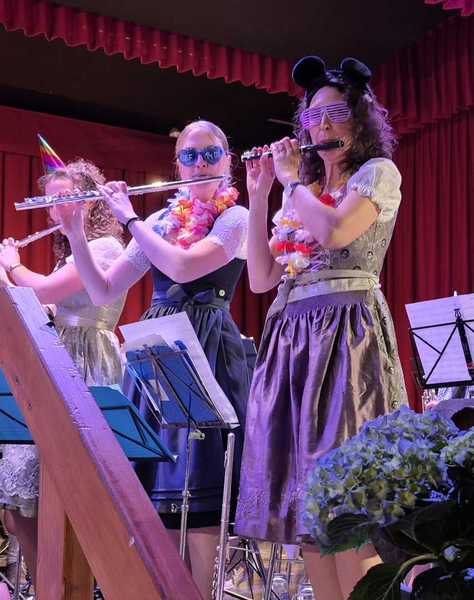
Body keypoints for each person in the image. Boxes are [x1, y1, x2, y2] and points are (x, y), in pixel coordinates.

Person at [235, 56, 408, 599]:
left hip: (344, 336)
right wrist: (261, 193)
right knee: (305, 510)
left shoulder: (376, 174)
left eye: (336, 114)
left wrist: (291, 182)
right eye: (312, 117)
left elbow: (334, 233)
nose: (323, 125)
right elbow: (261, 278)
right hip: (291, 340)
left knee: (345, 510)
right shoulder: (302, 192)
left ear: (359, 119)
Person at [57, 120, 250, 597]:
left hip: (207, 345)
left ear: (228, 161)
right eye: (189, 156)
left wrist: (129, 219)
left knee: (202, 489)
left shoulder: (236, 217)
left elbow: (183, 266)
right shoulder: (162, 220)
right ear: (177, 164)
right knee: (154, 494)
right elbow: (104, 289)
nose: (200, 164)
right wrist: (76, 233)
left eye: (210, 154)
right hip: (158, 349)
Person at [0, 139, 125, 583]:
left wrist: (12, 264)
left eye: (64, 198)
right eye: (50, 202)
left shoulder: (106, 246)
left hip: (86, 362)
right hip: (56, 356)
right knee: (19, 504)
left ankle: (76, 585)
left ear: (90, 201)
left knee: (67, 496)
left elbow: (45, 291)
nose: (55, 210)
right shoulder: (72, 251)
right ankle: (46, 586)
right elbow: (41, 306)